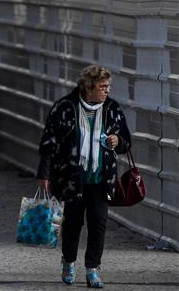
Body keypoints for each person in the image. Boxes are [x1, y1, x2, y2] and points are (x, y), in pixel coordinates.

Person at [37, 65, 132, 288]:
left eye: (108, 87)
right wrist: (44, 173)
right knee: (73, 223)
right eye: (102, 87)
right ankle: (69, 262)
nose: (107, 91)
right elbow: (49, 143)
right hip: (72, 177)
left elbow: (126, 141)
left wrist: (118, 141)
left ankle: (93, 269)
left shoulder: (112, 109)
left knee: (98, 222)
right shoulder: (64, 107)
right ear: (88, 87)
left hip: (101, 177)